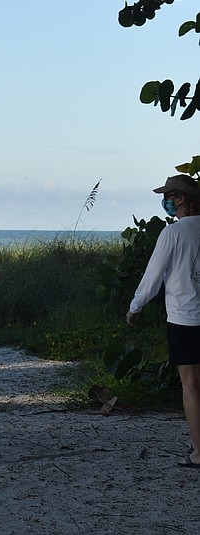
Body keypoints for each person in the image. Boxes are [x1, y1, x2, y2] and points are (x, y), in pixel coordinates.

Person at [126, 174, 200, 468]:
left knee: (191, 384)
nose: (166, 200)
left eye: (169, 195)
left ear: (181, 198)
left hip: (185, 317)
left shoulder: (173, 233)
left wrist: (135, 306)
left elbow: (152, 276)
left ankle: (198, 452)